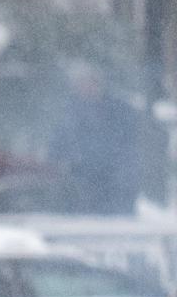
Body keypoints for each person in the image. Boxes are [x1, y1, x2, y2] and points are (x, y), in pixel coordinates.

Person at [46, 62, 148, 216]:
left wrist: (122, 171)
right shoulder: (68, 113)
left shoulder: (121, 111)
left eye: (91, 82)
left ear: (100, 84)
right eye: (81, 83)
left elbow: (130, 146)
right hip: (79, 183)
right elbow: (57, 147)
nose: (86, 87)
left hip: (115, 184)